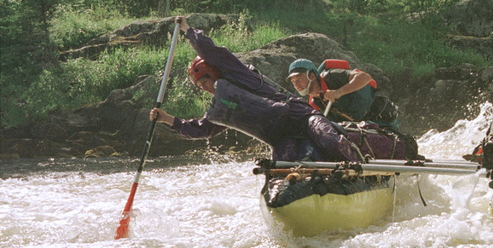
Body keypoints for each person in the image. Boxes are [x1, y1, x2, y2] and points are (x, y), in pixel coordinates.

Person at [150, 18, 361, 162]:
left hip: (302, 117)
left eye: (204, 83)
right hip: (281, 137)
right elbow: (203, 129)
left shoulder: (238, 74)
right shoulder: (225, 106)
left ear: (214, 75)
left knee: (328, 140)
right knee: (283, 163)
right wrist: (167, 119)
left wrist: (188, 30)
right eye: (199, 87)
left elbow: (212, 51)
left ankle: (359, 165)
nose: (204, 89)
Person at [287, 58, 400, 130]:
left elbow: (365, 77)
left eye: (299, 78)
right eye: (293, 81)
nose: (296, 84)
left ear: (311, 76)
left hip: (383, 117)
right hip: (364, 129)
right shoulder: (314, 103)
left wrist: (339, 92)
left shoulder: (331, 76)